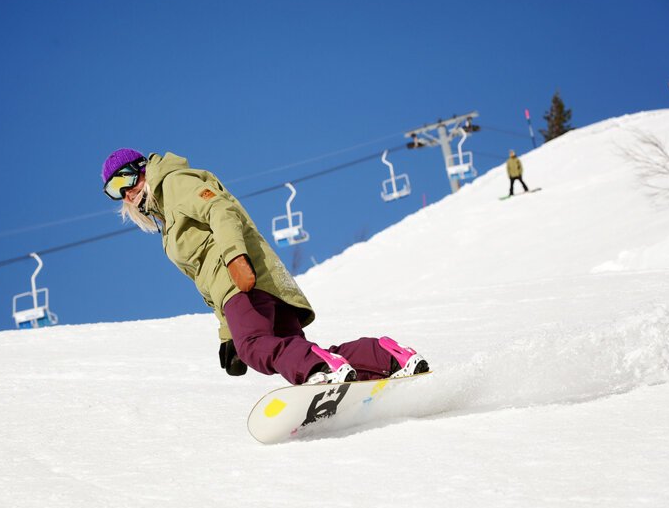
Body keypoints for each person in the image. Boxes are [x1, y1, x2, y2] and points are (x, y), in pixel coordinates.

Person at [100, 148, 429, 386]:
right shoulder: (166, 216)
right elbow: (206, 280)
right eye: (115, 191)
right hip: (251, 284)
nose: (126, 193)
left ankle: (321, 370)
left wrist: (235, 258)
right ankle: (386, 356)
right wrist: (228, 334)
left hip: (242, 280)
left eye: (125, 180)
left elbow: (221, 210)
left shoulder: (174, 183)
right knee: (297, 350)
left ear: (142, 168)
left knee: (256, 347)